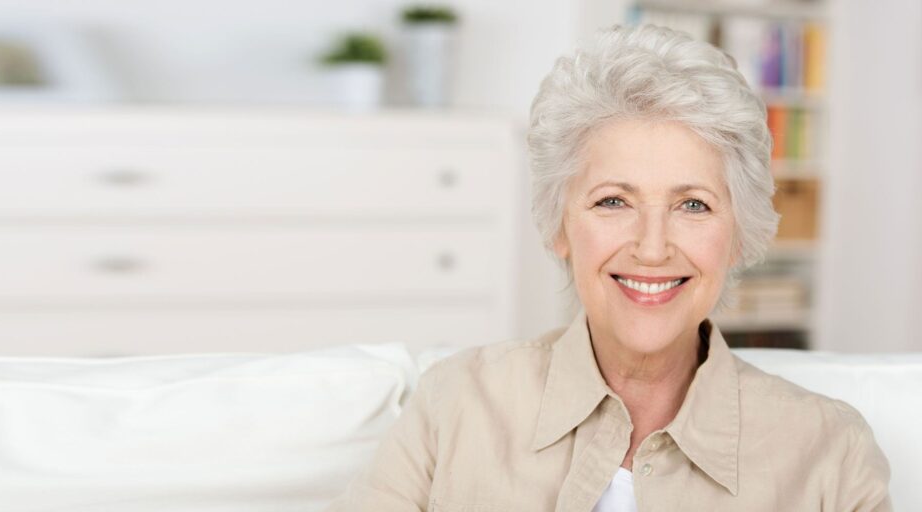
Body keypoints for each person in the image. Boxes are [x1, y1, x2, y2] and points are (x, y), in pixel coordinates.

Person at [326, 23, 891, 511]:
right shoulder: (454, 406)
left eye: (693, 204)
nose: (651, 248)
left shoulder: (829, 452)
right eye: (612, 201)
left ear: (738, 235)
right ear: (558, 226)